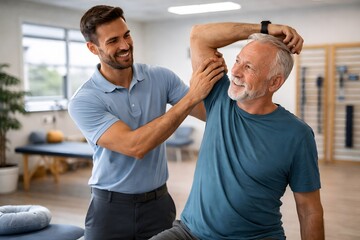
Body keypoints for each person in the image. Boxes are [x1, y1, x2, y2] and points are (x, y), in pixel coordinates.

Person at [150, 22, 324, 240]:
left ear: (274, 83)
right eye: (237, 61)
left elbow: (309, 209)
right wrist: (264, 28)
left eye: (248, 67)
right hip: (189, 233)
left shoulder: (297, 135)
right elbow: (199, 36)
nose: (234, 72)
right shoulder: (219, 96)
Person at [68, 5, 225, 240]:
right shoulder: (84, 100)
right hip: (110, 209)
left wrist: (219, 75)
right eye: (113, 41)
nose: (124, 45)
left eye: (127, 35)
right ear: (93, 48)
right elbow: (135, 146)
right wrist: (192, 95)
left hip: (158, 205)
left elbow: (210, 113)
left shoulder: (160, 77)